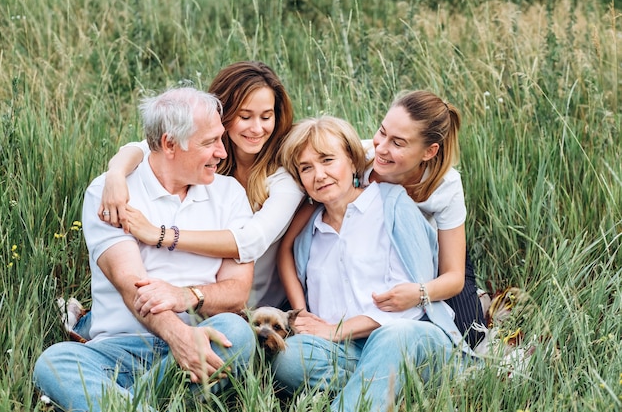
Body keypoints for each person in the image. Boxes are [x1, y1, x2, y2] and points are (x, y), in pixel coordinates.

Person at [33, 87, 257, 411]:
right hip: (120, 352)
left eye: (220, 139)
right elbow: (132, 286)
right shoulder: (111, 192)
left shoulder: (230, 194)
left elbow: (237, 290)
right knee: (54, 363)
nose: (223, 152)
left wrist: (186, 297)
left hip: (199, 341)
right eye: (210, 143)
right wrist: (178, 336)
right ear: (169, 144)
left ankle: (114, 402)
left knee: (236, 332)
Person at [273, 115, 466, 412]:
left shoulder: (392, 204)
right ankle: (387, 386)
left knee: (394, 336)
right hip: (347, 351)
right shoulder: (309, 230)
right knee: (288, 359)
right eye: (306, 168)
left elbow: (411, 305)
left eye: (327, 160)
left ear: (352, 162)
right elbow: (283, 254)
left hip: (413, 339)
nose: (319, 174)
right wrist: (303, 316)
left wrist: (336, 331)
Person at [278, 90, 485, 348]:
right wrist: (304, 313)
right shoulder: (357, 159)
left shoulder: (446, 186)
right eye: (382, 132)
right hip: (368, 255)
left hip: (430, 260)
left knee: (470, 336)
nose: (382, 148)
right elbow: (297, 234)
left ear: (428, 152)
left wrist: (419, 294)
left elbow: (453, 276)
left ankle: (478, 300)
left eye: (398, 143)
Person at [99, 61, 304, 310]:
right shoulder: (206, 158)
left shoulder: (285, 177)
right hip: (199, 301)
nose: (257, 128)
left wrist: (161, 235)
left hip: (255, 307)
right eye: (245, 116)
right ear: (222, 116)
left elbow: (250, 242)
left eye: (266, 116)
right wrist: (115, 174)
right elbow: (150, 147)